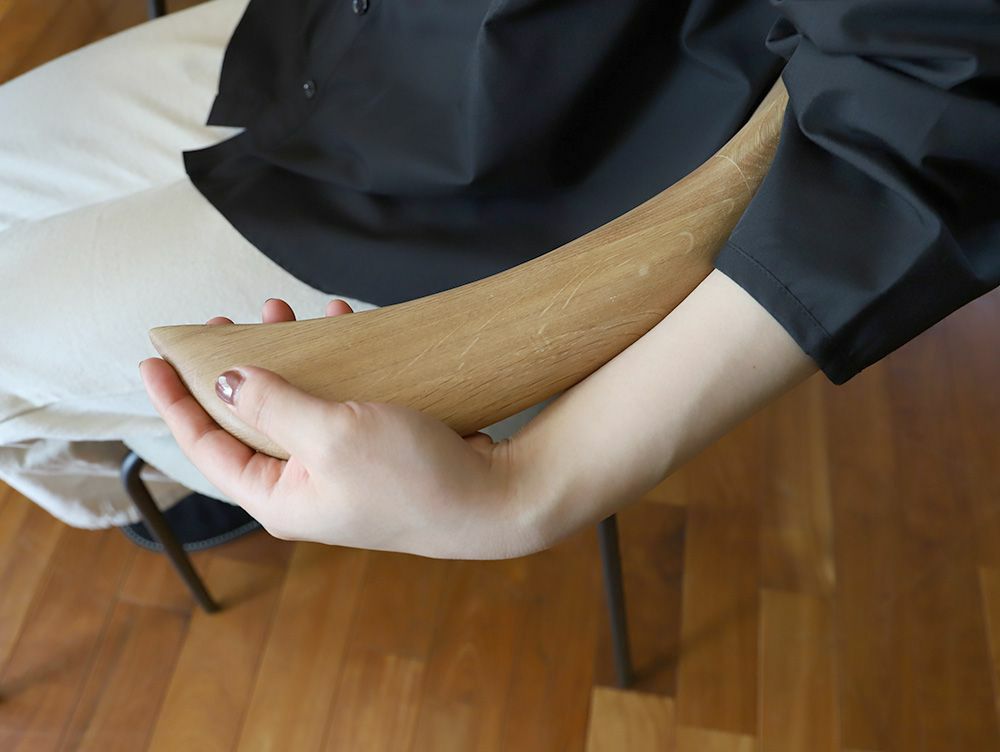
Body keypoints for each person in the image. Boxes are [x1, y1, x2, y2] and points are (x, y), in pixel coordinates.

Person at [2, 0, 997, 556]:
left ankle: (162, 483)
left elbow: (931, 86)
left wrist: (530, 491)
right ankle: (165, 480)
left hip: (536, 166)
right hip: (349, 38)